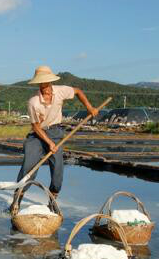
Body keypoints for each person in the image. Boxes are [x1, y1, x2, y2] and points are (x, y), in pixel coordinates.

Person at [15, 66, 98, 202]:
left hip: (55, 131)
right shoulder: (33, 102)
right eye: (42, 83)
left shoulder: (60, 91)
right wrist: (49, 143)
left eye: (47, 82)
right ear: (38, 83)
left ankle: (52, 201)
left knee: (57, 169)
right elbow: (36, 127)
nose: (45, 85)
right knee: (29, 167)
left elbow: (77, 91)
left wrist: (89, 108)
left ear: (51, 81)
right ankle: (17, 199)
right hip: (37, 135)